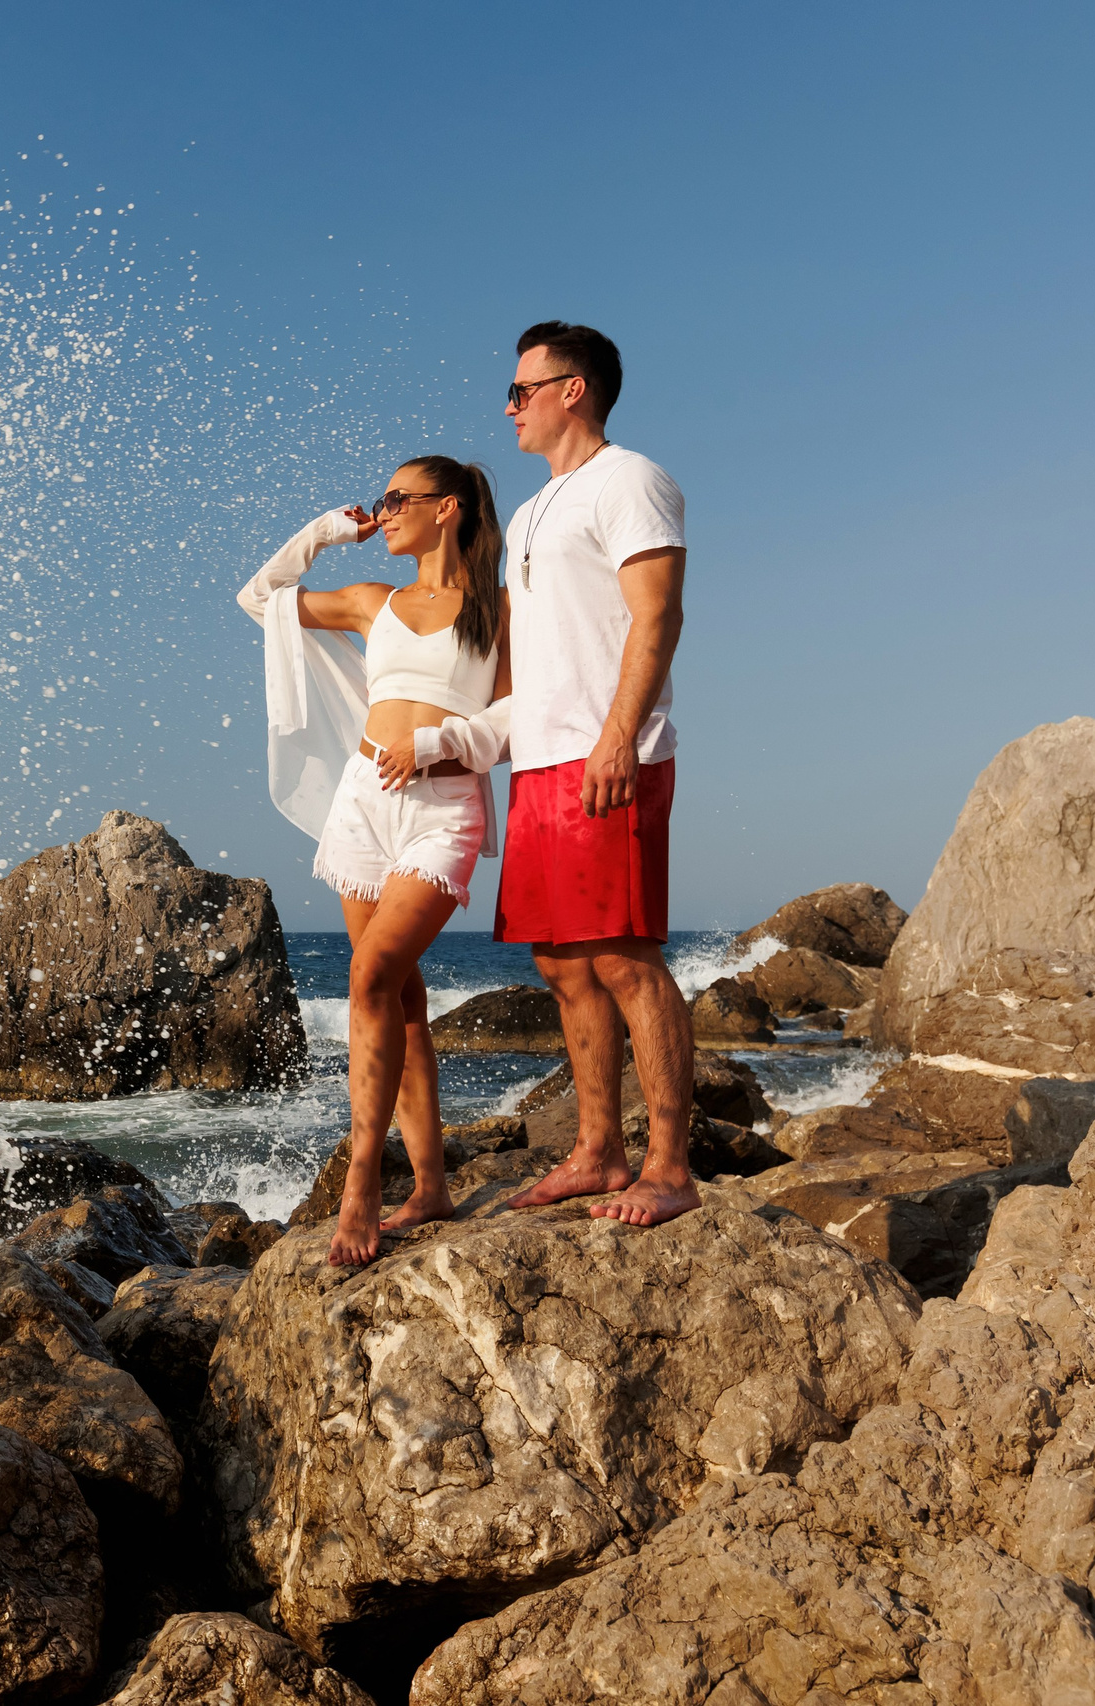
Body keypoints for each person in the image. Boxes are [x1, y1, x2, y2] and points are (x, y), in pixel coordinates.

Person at [237, 457, 513, 1265]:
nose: (384, 511)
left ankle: (362, 1183)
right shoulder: (373, 602)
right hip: (361, 803)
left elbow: (520, 711)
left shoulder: (499, 611)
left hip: (444, 808)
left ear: (447, 508)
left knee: (368, 979)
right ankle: (430, 1185)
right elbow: (260, 600)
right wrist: (327, 530)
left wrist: (439, 743)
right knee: (402, 997)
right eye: (382, 501)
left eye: (398, 500)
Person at [472, 321, 699, 1227]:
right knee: (563, 965)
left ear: (574, 390)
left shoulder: (632, 480)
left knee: (625, 958)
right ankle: (598, 1152)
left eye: (521, 390)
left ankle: (671, 1167)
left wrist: (616, 738)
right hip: (540, 763)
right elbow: (516, 656)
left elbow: (657, 617)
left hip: (611, 755)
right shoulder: (531, 512)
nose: (508, 407)